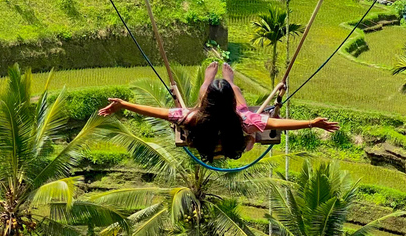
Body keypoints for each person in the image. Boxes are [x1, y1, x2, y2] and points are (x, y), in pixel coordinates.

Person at [99, 62, 340, 163]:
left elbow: (156, 112)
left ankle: (208, 80)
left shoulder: (192, 117)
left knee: (204, 90)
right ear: (229, 103)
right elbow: (279, 125)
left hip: (203, 144)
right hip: (235, 146)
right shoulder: (244, 119)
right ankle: (229, 81)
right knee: (248, 122)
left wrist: (124, 104)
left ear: (211, 103)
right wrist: (312, 123)